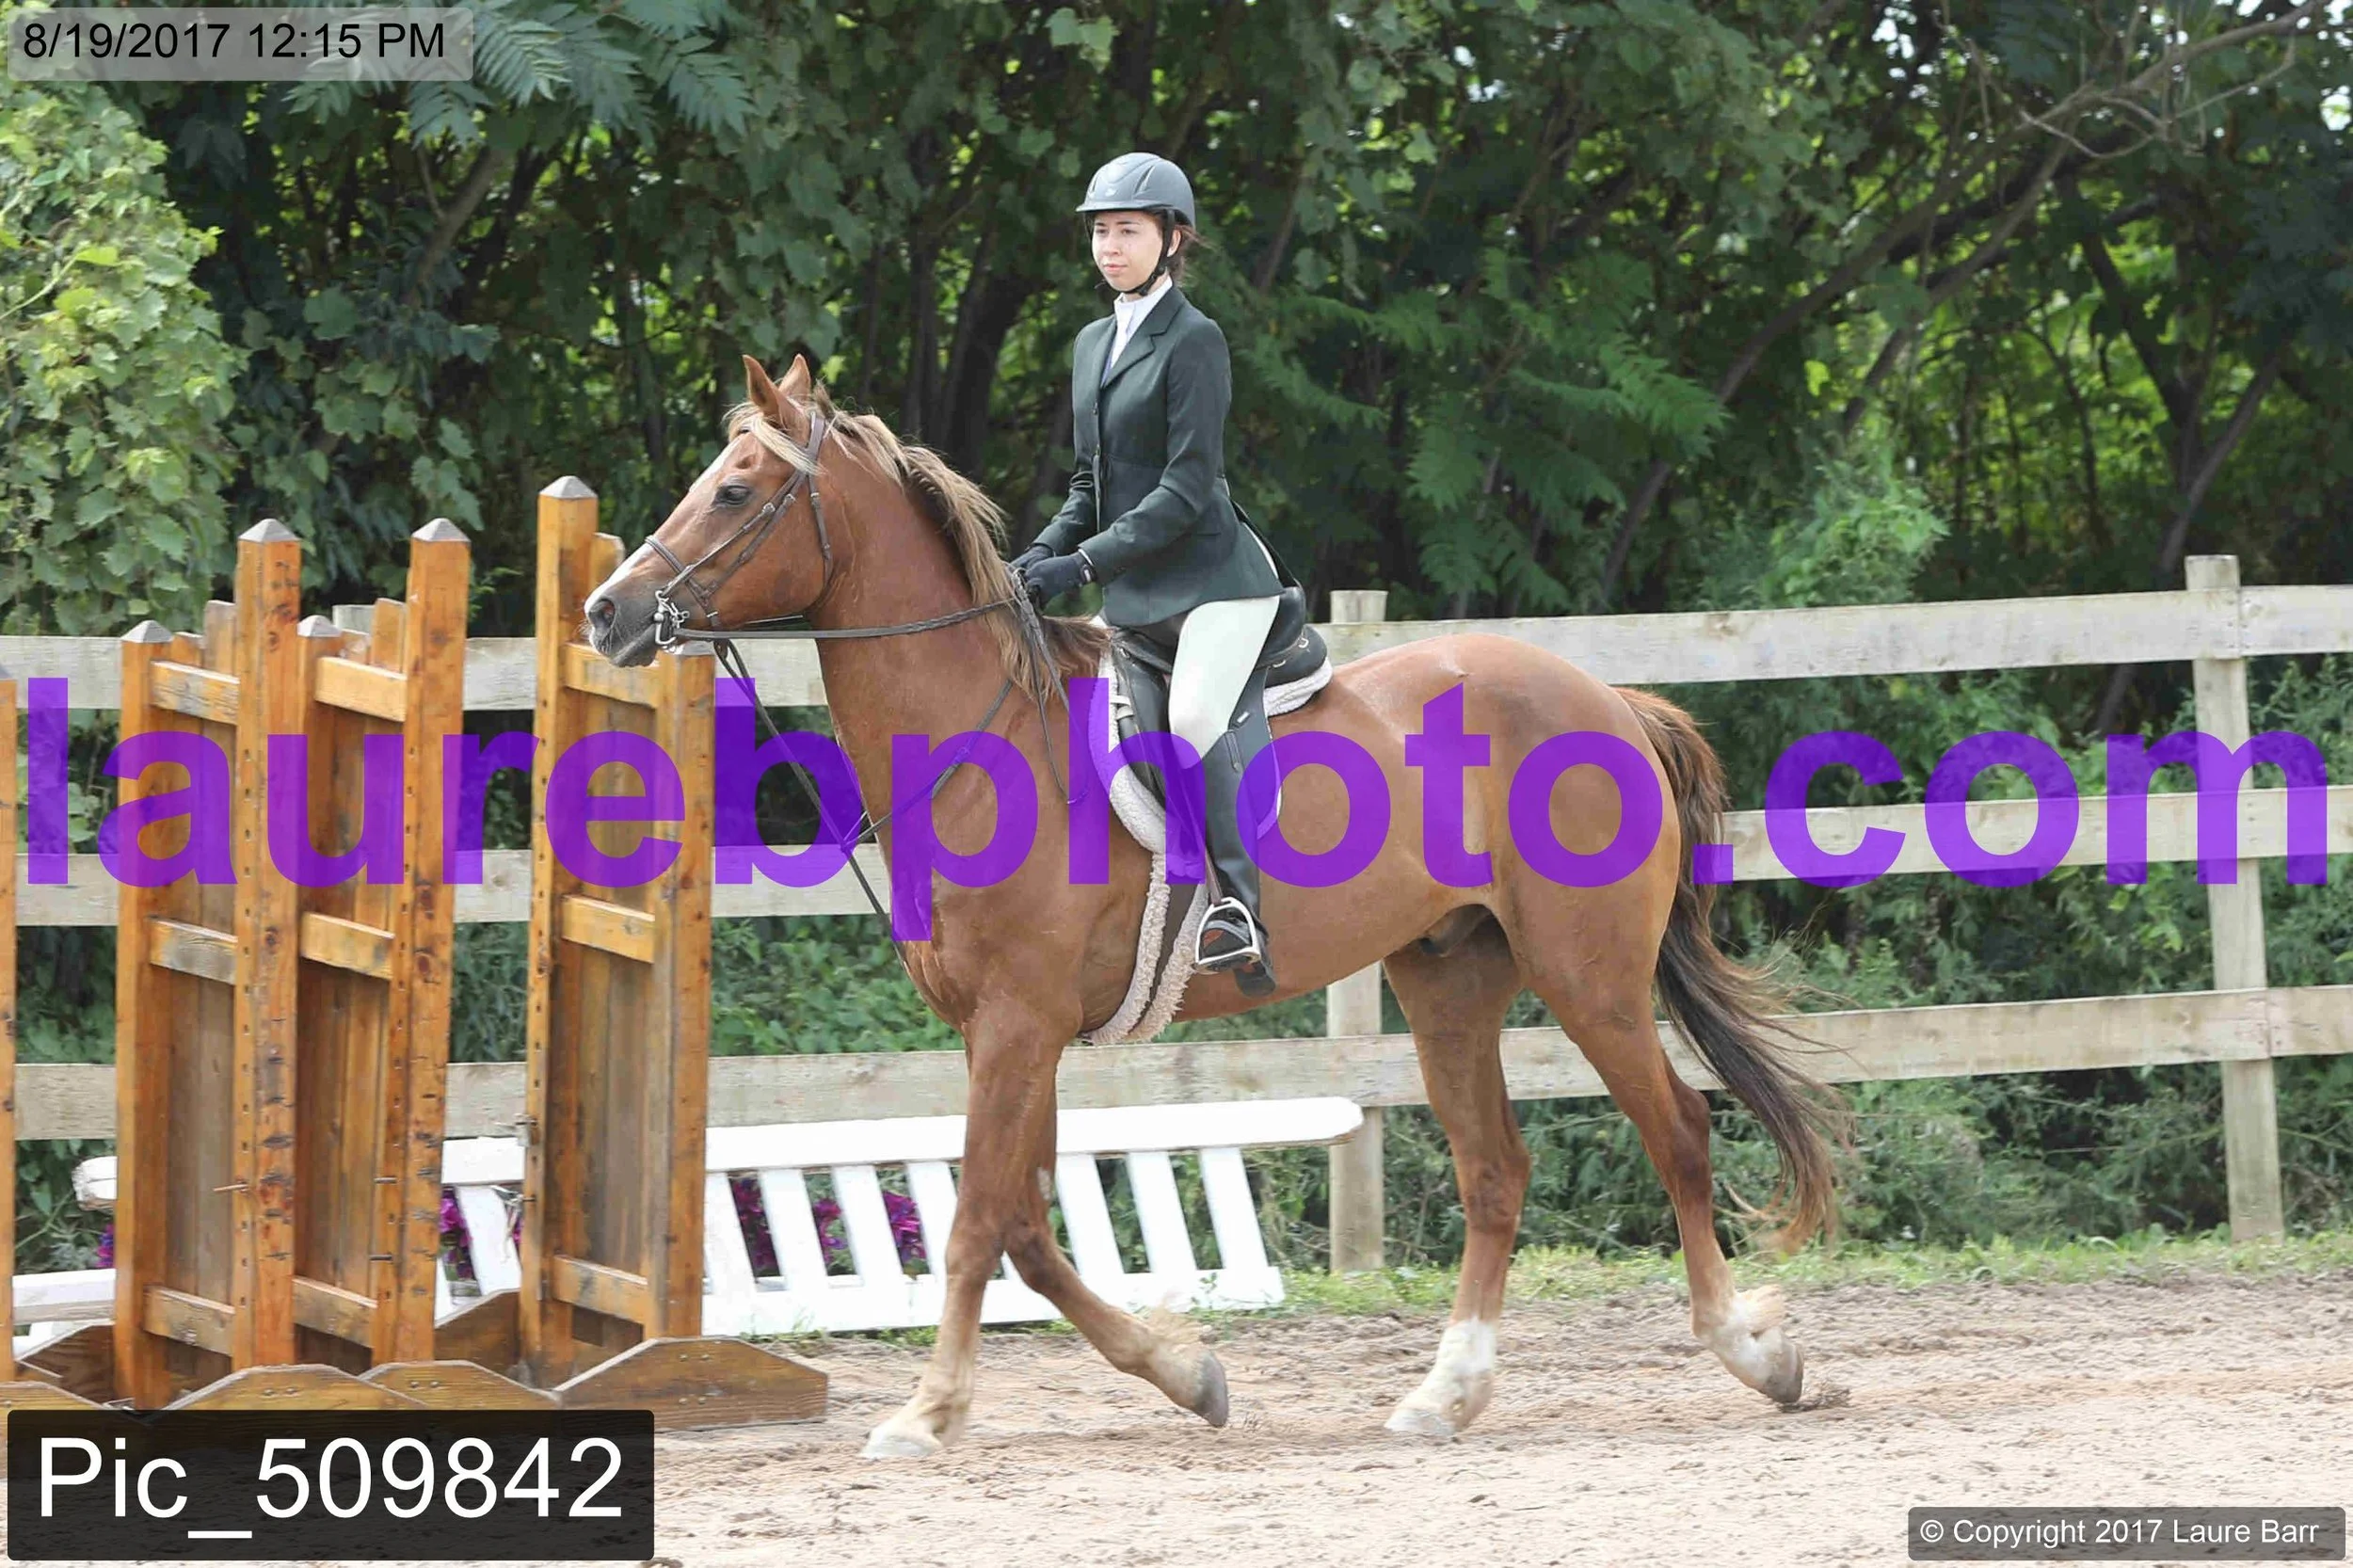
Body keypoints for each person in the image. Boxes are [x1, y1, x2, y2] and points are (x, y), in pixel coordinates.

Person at [1014, 151, 1294, 995]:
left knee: (1194, 716)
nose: (1110, 247)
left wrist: (1082, 564)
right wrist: (1031, 561)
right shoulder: (1092, 343)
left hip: (1215, 586)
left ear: (1173, 239)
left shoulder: (1195, 340)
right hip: (1138, 595)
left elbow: (1184, 490)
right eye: (1101, 231)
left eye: (1128, 231)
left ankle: (1237, 907)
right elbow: (1090, 486)